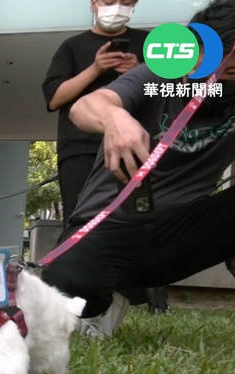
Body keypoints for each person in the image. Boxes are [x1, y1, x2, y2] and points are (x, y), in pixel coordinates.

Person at [41, 0, 235, 337]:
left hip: (183, 229)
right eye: (206, 68)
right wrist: (115, 117)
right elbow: (84, 107)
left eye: (232, 73)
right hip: (113, 224)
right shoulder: (159, 76)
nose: (215, 81)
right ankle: (105, 301)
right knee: (64, 284)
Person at [42, 0, 170, 316]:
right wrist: (96, 68)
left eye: (126, 1)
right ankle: (70, 300)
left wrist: (141, 72)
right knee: (79, 219)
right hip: (81, 148)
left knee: (140, 219)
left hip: (138, 145)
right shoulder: (72, 46)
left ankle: (149, 301)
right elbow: (55, 98)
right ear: (93, 4)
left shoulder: (151, 44)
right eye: (109, 0)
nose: (117, 7)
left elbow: (177, 91)